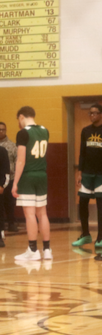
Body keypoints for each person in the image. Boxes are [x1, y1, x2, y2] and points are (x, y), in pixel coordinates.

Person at [12, 106, 51, 261]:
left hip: (28, 175)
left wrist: (15, 182)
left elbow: (21, 160)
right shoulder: (45, 130)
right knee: (42, 213)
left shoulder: (23, 133)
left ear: (21, 117)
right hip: (42, 174)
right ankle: (47, 250)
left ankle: (33, 250)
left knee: (29, 214)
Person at [73, 103, 102, 250]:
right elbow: (82, 152)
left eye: (95, 113)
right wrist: (79, 172)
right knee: (83, 203)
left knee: (100, 205)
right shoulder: (85, 131)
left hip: (100, 174)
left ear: (101, 114)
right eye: (90, 113)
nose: (92, 115)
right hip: (87, 173)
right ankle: (85, 234)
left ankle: (100, 237)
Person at [0, 121, 18, 233]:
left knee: (9, 204)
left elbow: (17, 161)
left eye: (3, 129)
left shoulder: (12, 146)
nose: (1, 131)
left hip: (10, 179)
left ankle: (11, 223)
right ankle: (0, 225)